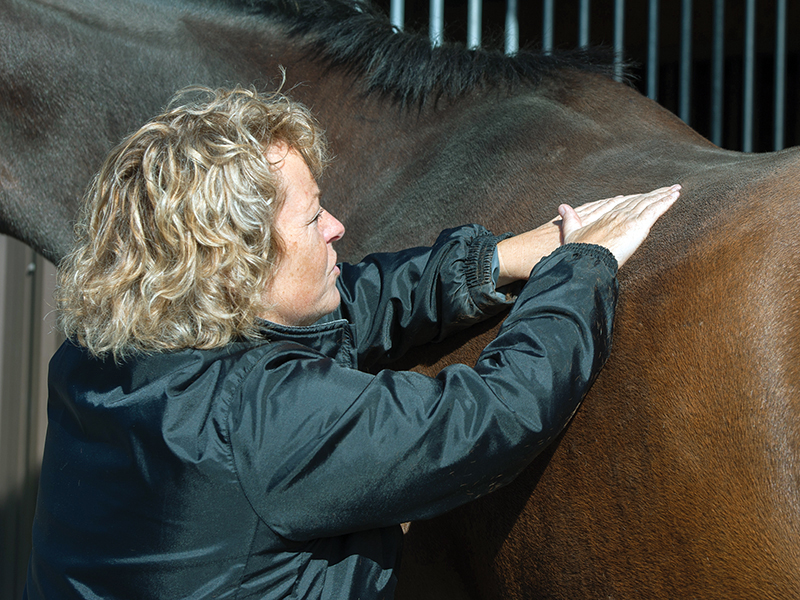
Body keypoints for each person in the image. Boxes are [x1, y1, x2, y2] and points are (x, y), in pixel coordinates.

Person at [24, 85, 679, 599]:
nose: (337, 226)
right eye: (312, 218)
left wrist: (496, 261)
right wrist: (580, 267)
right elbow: (497, 414)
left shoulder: (96, 357)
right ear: (235, 262)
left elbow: (348, 305)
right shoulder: (264, 421)